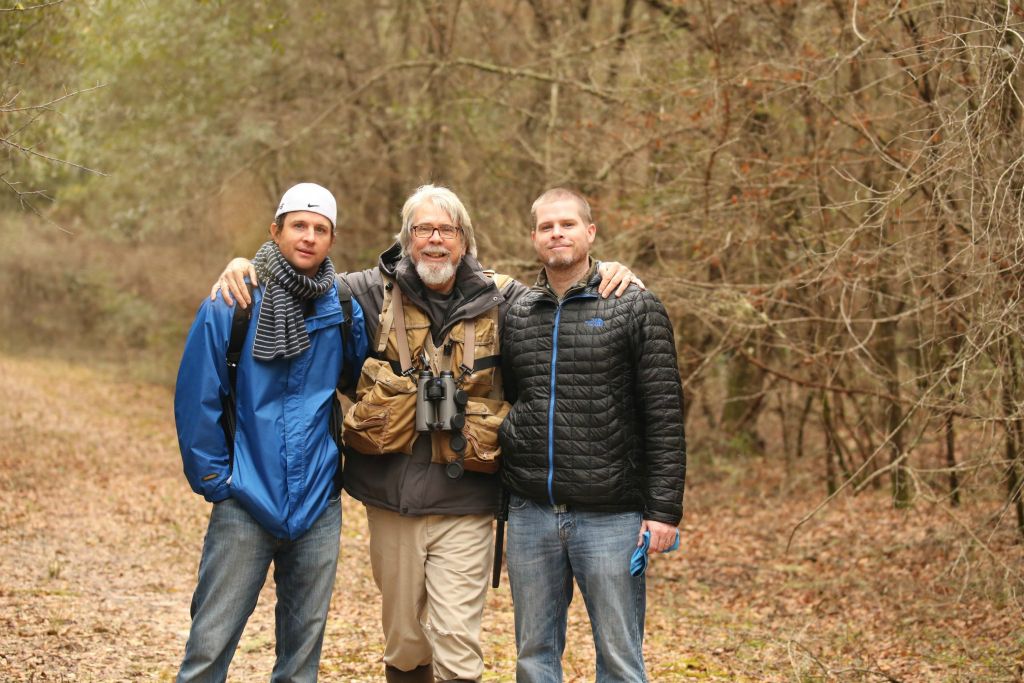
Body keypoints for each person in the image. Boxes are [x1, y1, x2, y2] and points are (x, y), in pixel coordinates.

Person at [210, 184, 640, 683]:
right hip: (391, 499)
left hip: (469, 500)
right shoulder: (366, 293)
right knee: (406, 641)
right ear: (407, 238)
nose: (435, 240)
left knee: (458, 642)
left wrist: (608, 271)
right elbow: (300, 276)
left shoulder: (505, 299)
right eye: (423, 229)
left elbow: (564, 296)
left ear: (465, 240)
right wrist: (249, 264)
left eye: (447, 230)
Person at [174, 183, 368, 683]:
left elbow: (363, 378)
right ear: (276, 230)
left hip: (318, 503)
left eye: (320, 229)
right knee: (209, 648)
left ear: (332, 239)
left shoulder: (342, 307)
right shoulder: (232, 301)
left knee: (302, 660)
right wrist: (219, 481)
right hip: (244, 497)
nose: (308, 237)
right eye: (298, 225)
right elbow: (198, 397)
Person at [498, 187, 687, 683]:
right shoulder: (517, 314)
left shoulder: (634, 306)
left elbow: (664, 413)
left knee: (620, 659)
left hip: (612, 516)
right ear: (534, 237)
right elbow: (515, 398)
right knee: (533, 656)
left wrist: (663, 511)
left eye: (567, 224)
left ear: (590, 232)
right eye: (546, 226)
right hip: (531, 513)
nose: (556, 233)